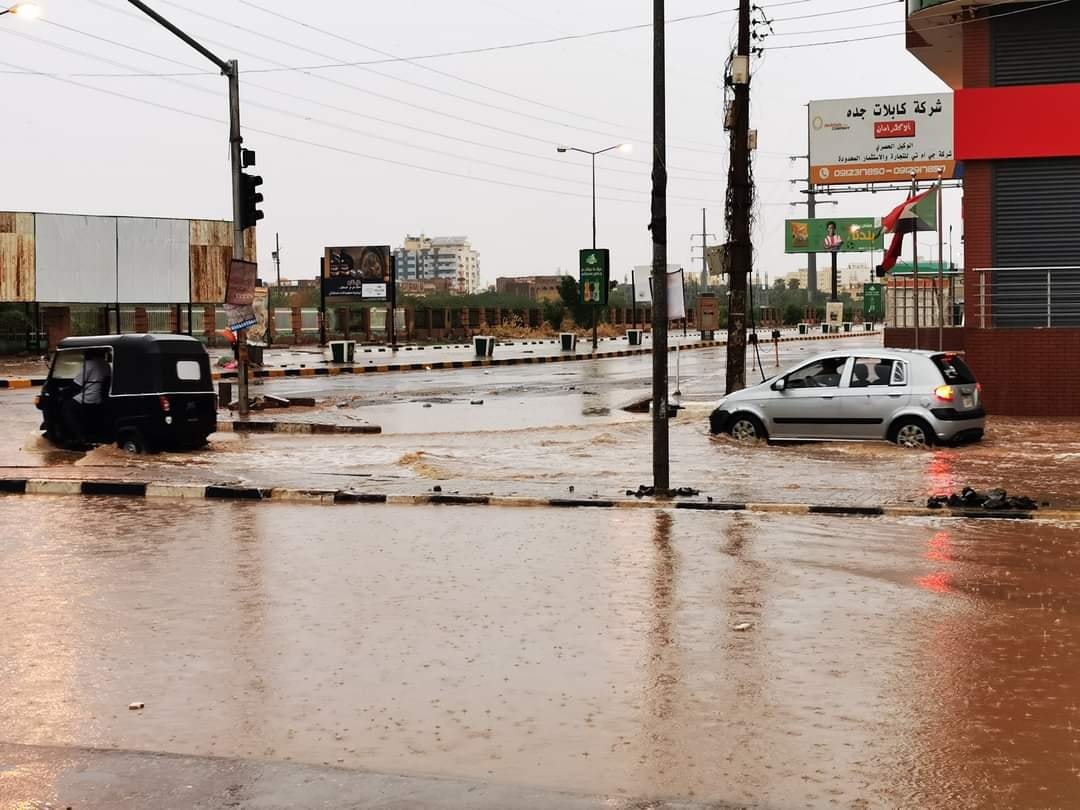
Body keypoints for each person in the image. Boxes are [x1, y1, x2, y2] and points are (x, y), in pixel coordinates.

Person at [61, 349, 111, 446]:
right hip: (100, 398)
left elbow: (76, 385)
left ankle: (80, 437)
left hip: (88, 398)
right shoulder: (106, 364)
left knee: (67, 407)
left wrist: (64, 392)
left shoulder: (89, 364)